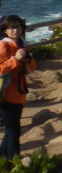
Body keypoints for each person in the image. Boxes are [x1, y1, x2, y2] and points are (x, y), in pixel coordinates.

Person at [0, 14, 35, 159]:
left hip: (19, 92)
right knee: (14, 130)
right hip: (5, 94)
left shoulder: (23, 45)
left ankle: (3, 159)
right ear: (5, 30)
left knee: (11, 130)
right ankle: (15, 162)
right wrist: (15, 59)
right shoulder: (3, 45)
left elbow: (31, 70)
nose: (15, 30)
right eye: (11, 28)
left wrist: (28, 60)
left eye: (17, 27)